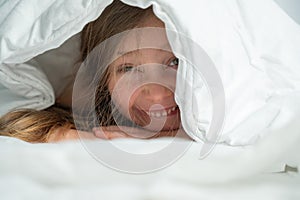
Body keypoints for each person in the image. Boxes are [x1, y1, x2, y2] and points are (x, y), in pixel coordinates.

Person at [0, 0, 187, 142]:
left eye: (174, 62)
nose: (156, 94)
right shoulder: (84, 103)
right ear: (103, 79)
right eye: (128, 68)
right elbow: (17, 125)